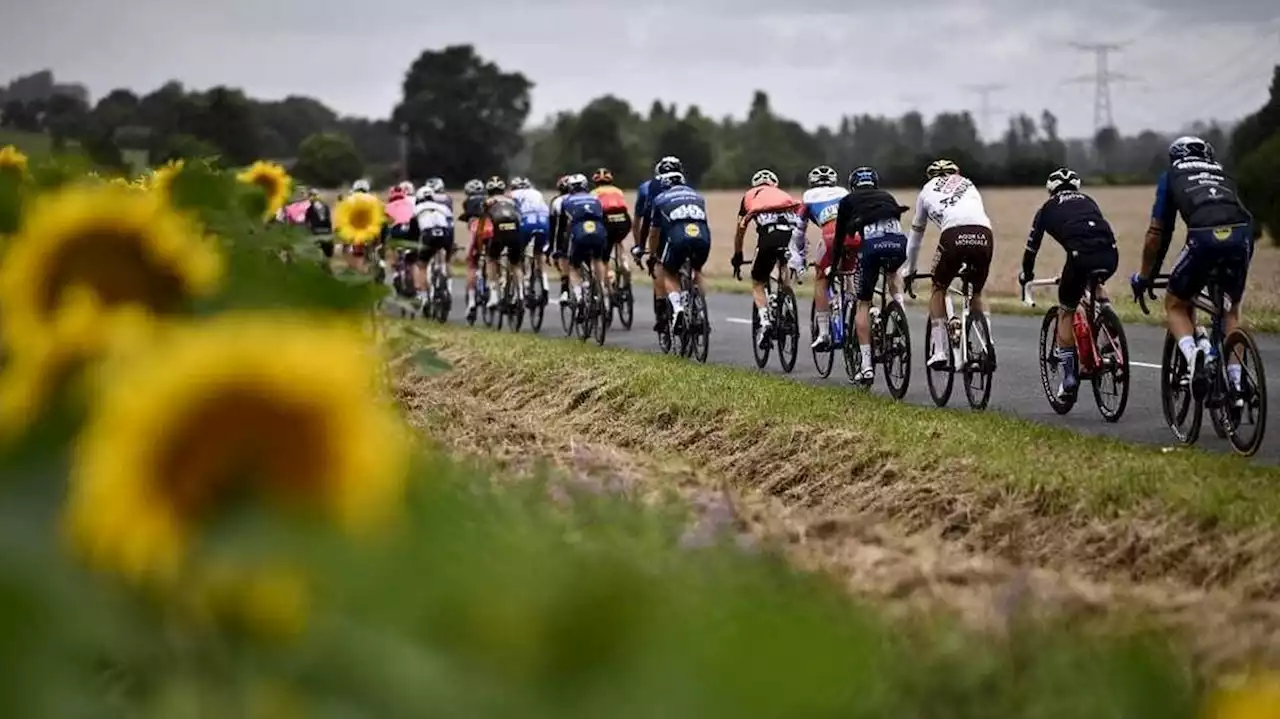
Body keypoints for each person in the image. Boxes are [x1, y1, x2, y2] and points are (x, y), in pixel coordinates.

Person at [1130, 136, 1255, 400]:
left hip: (1204, 237)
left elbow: (1157, 233)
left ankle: (1194, 357)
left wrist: (1145, 275)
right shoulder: (1222, 172)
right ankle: (1236, 385)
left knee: (1175, 304)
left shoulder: (1172, 175)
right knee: (1231, 308)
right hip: (1242, 236)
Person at [1019, 168, 1119, 402]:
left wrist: (1027, 274)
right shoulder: (1088, 200)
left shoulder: (1046, 208)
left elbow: (1031, 248)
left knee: (1066, 310)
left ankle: (1069, 378)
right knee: (1095, 284)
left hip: (1079, 257)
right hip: (1110, 254)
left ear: (1051, 189)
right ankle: (1108, 319)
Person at [902, 159, 996, 370]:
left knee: (939, 286)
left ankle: (939, 351)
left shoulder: (926, 190)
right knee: (977, 291)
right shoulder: (968, 183)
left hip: (953, 234)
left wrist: (910, 269)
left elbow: (916, 237)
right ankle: (988, 344)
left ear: (930, 176)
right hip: (984, 234)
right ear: (957, 172)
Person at [832, 167, 910, 384]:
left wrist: (834, 268)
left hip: (873, 246)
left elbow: (839, 239)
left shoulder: (848, 200)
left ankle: (866, 366)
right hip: (899, 244)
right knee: (893, 272)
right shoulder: (887, 196)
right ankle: (898, 308)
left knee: (863, 302)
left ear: (853, 185)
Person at [730, 169, 802, 350]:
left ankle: (765, 321)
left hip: (769, 235)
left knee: (758, 281)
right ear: (774, 184)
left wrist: (738, 256)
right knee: (783, 260)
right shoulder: (783, 194)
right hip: (792, 234)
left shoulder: (750, 195)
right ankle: (786, 297)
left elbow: (741, 230)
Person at [647, 170, 711, 333]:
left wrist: (653, 255)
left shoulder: (660, 199)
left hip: (678, 237)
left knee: (669, 272)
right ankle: (702, 313)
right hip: (702, 236)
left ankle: (678, 308)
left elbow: (654, 232)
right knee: (697, 270)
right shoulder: (698, 197)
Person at [800, 164, 851, 351]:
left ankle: (823, 333)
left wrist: (798, 258)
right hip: (854, 236)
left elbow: (799, 231)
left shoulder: (808, 196)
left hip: (830, 238)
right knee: (850, 272)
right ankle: (850, 305)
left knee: (820, 278)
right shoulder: (843, 191)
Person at [633, 156, 683, 330]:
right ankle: (698, 303)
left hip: (662, 230)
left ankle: (662, 310)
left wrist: (640, 245)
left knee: (659, 265)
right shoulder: (684, 184)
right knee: (693, 267)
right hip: (687, 229)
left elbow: (644, 218)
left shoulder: (648, 187)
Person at [557, 173, 611, 313]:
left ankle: (579, 296)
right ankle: (601, 289)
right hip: (599, 231)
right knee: (598, 259)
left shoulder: (566, 200)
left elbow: (562, 227)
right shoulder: (595, 198)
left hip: (579, 232)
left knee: (573, 266)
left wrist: (559, 248)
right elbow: (604, 219)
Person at [473, 176, 523, 313]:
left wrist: (479, 244)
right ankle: (521, 293)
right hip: (514, 230)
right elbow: (520, 217)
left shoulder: (486, 202)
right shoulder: (512, 201)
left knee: (491, 259)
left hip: (498, 232)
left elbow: (481, 226)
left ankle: (494, 295)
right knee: (516, 263)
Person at [509, 176, 552, 303]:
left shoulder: (511, 194)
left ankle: (523, 285)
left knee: (517, 256)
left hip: (526, 222)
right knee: (539, 252)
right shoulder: (537, 192)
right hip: (544, 222)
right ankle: (544, 281)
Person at [413, 185, 456, 309]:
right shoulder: (443, 207)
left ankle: (423, 296)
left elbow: (414, 231)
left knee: (421, 264)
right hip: (445, 233)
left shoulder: (417, 208)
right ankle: (448, 286)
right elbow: (451, 226)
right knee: (446, 261)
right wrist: (450, 247)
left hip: (428, 234)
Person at [590, 167, 634, 286]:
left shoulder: (593, 193)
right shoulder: (618, 191)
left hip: (606, 220)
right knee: (618, 240)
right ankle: (624, 262)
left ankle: (608, 276)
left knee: (604, 254)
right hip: (624, 219)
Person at [460, 178, 489, 316]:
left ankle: (471, 301)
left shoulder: (467, 203)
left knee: (472, 265)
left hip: (476, 232)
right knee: (492, 260)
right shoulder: (488, 200)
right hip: (490, 231)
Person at [547, 174, 573, 302]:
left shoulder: (557, 201)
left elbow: (554, 227)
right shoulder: (587, 197)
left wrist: (552, 248)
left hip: (567, 234)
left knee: (563, 257)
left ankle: (565, 290)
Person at [303, 188, 335, 258]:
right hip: (325, 232)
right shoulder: (325, 206)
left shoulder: (310, 209)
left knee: (319, 253)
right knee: (327, 254)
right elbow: (328, 220)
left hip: (318, 232)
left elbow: (306, 222)